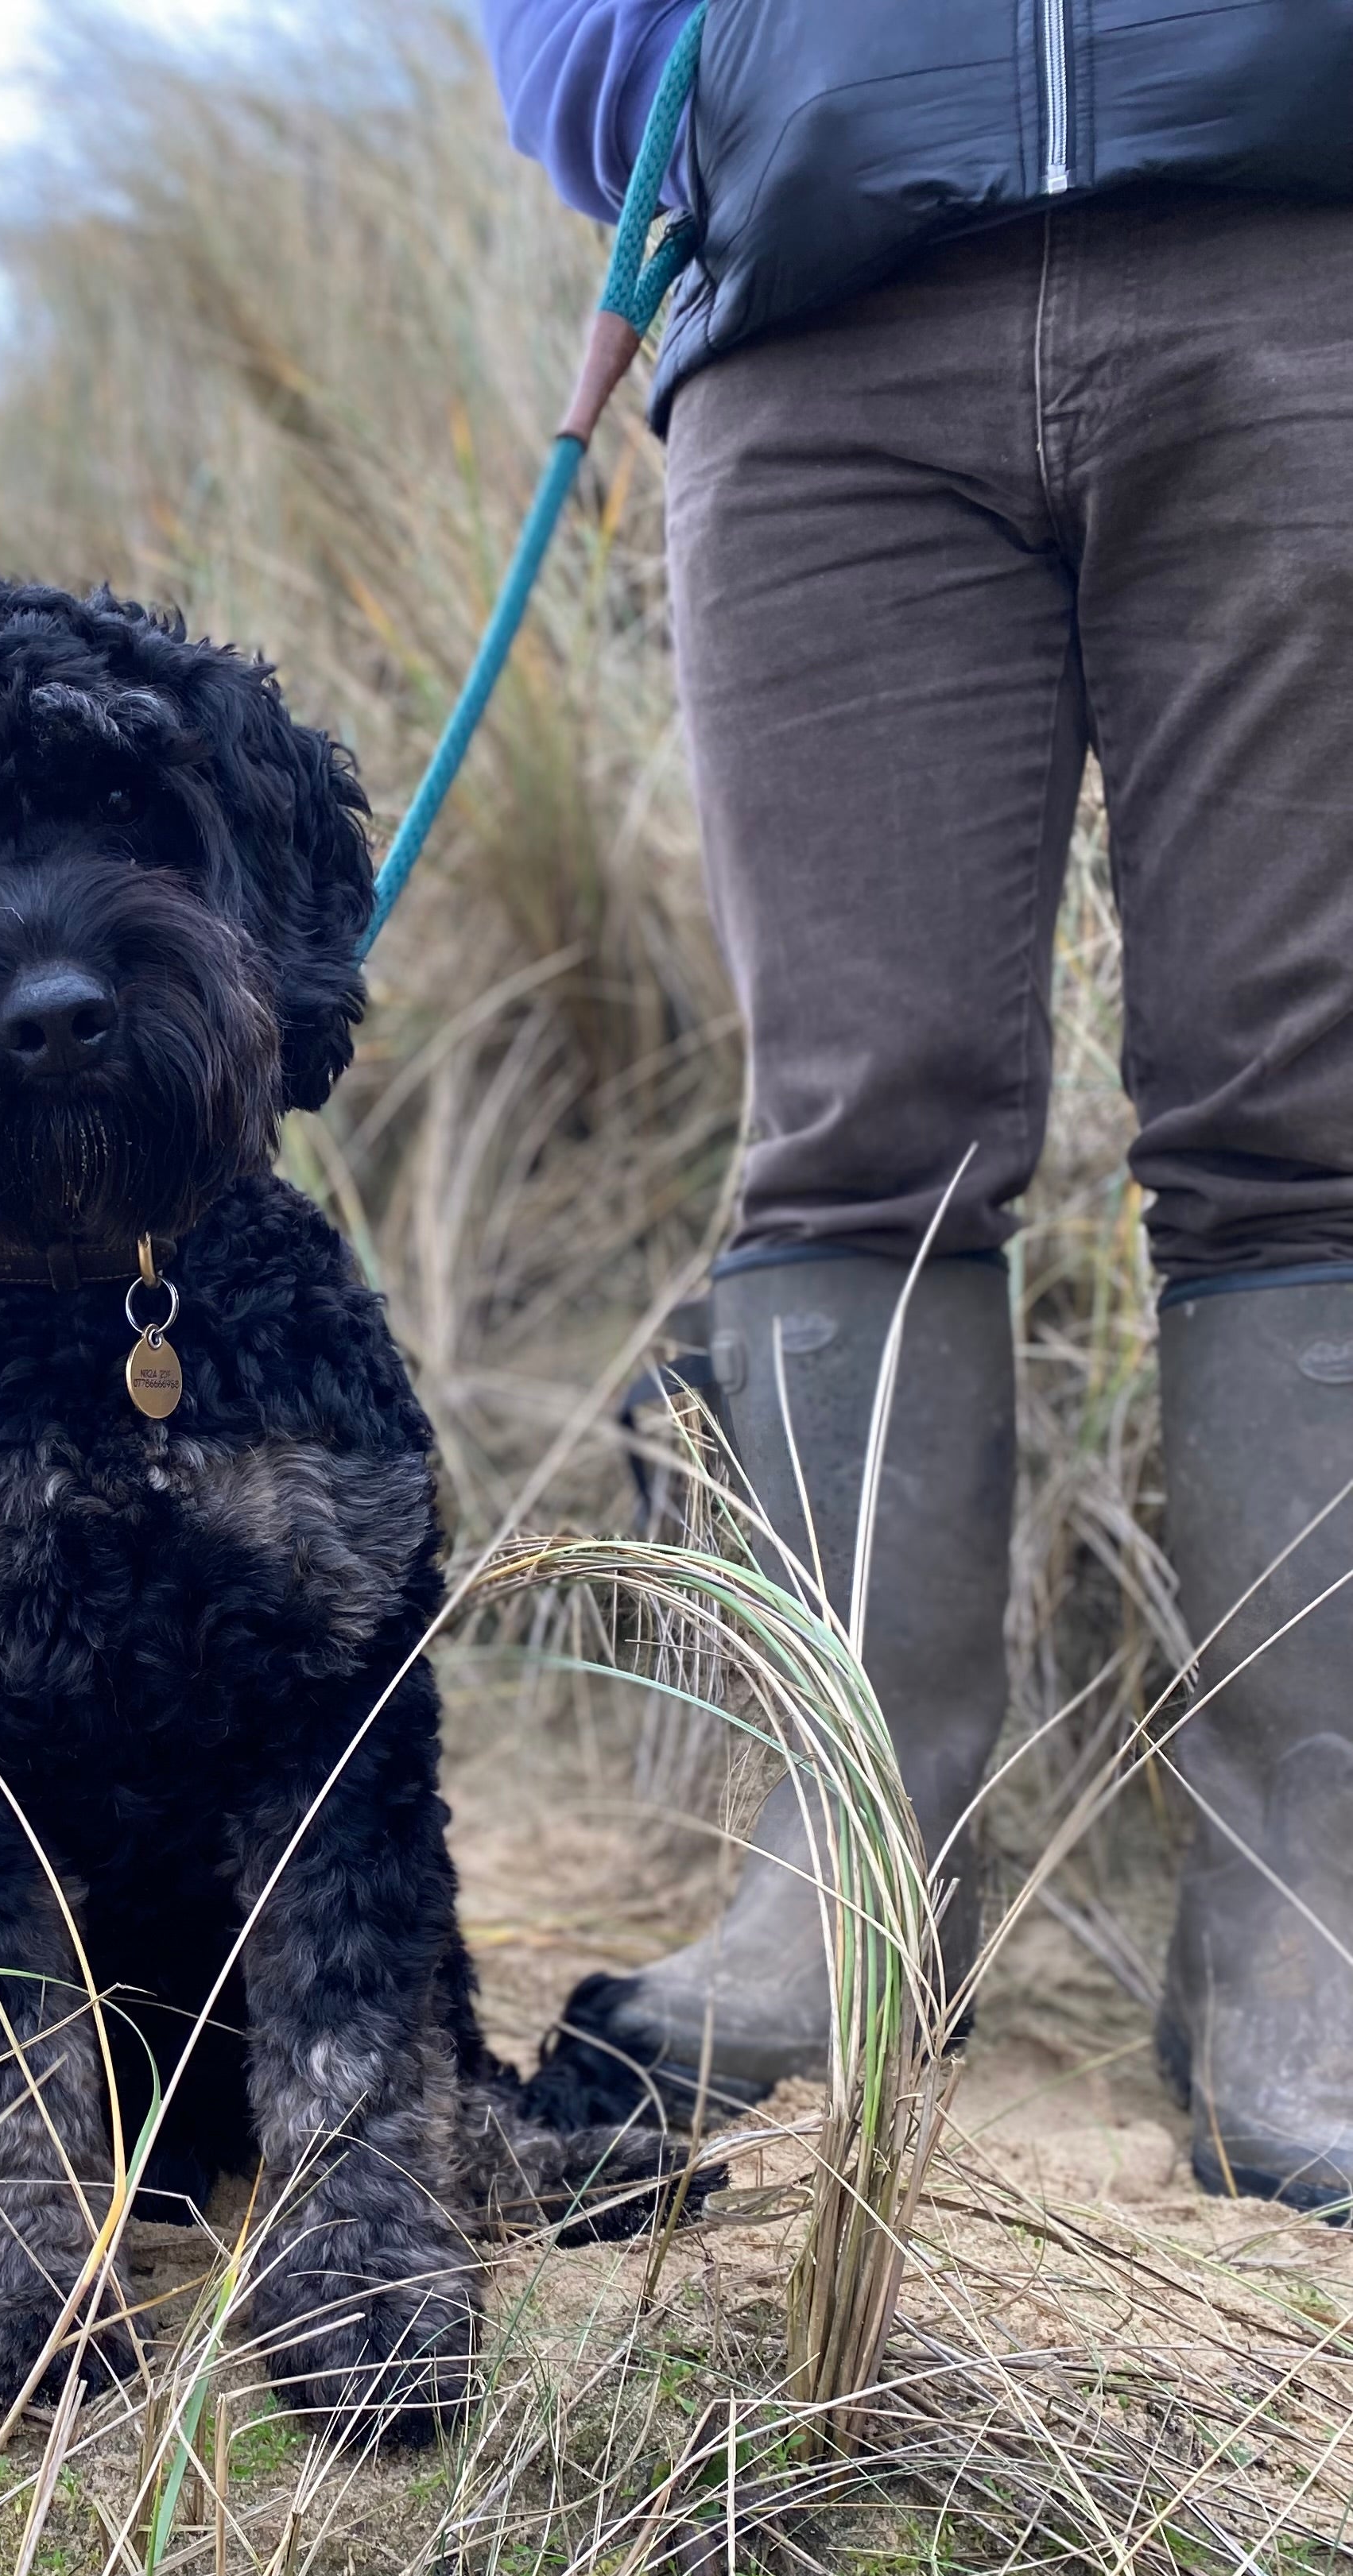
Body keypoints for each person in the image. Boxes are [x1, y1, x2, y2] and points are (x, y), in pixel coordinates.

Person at [481, 1, 1353, 2211]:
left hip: (1291, 237)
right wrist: (676, 71)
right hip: (813, 310)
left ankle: (1303, 1926)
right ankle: (848, 1890)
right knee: (859, 1136)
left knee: (1307, 1118)